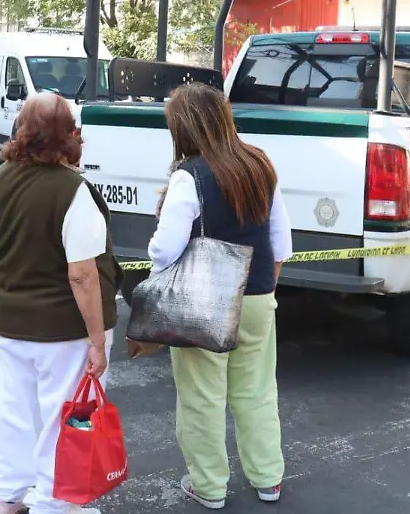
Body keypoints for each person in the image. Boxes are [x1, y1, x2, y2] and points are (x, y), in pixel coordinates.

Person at [143, 82, 291, 508]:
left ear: (183, 129)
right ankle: (268, 478)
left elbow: (164, 247)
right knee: (257, 390)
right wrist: (266, 285)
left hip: (205, 301)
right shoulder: (260, 164)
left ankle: (208, 487)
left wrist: (161, 288)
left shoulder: (188, 177)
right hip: (259, 294)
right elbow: (280, 241)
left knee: (202, 398)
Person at [0, 93, 123, 514]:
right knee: (65, 419)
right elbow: (82, 273)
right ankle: (56, 504)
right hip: (65, 330)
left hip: (10, 323)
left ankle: (6, 496)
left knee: (12, 413)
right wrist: (97, 340)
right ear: (69, 135)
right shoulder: (73, 190)